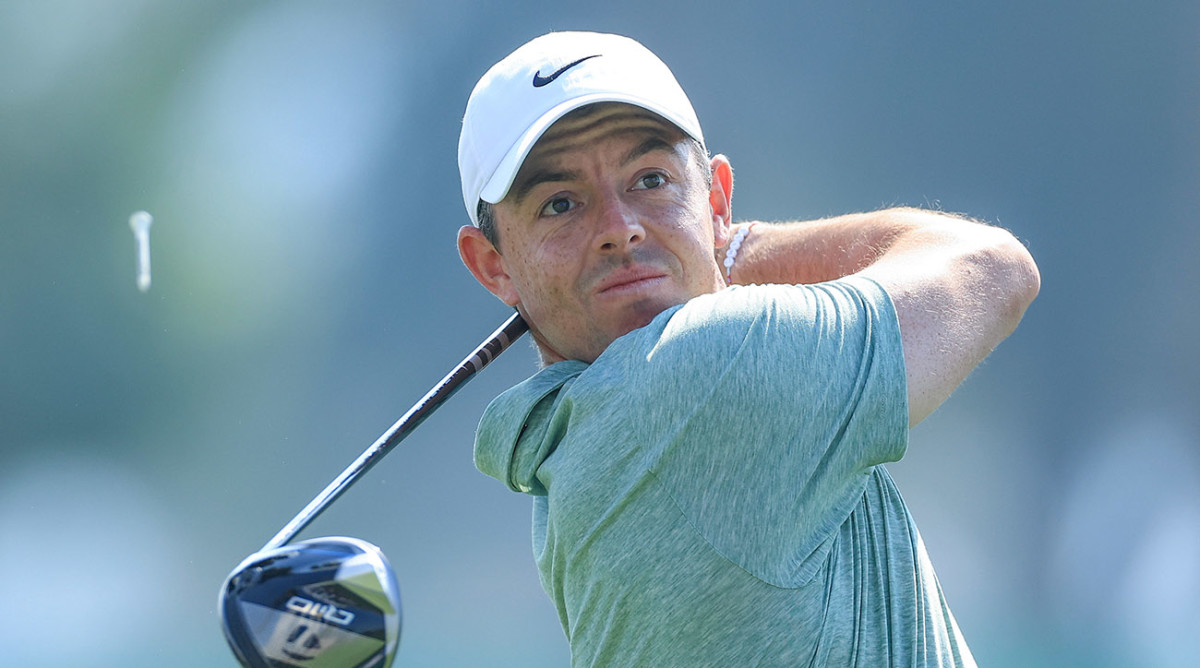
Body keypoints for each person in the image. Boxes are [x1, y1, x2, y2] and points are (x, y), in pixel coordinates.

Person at [455, 31, 1039, 667]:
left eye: (650, 179)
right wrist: (728, 247)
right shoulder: (703, 370)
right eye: (561, 204)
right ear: (492, 265)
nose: (620, 229)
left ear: (714, 197)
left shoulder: (555, 436)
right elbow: (992, 268)